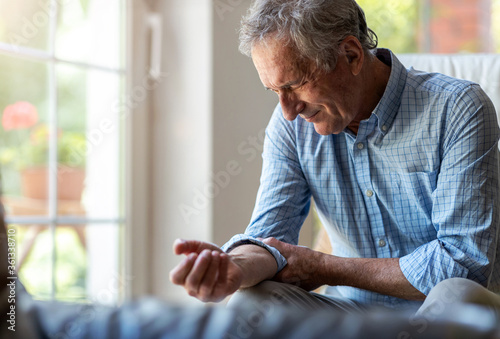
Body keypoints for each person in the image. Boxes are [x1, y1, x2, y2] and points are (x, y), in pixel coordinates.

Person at [170, 0, 500, 312]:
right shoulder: (293, 127)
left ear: (352, 55)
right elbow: (270, 237)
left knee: (456, 293)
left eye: (296, 84)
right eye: (275, 92)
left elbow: (463, 263)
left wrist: (325, 267)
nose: (287, 111)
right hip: (347, 315)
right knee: (251, 301)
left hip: (444, 314)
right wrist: (234, 266)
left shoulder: (458, 109)